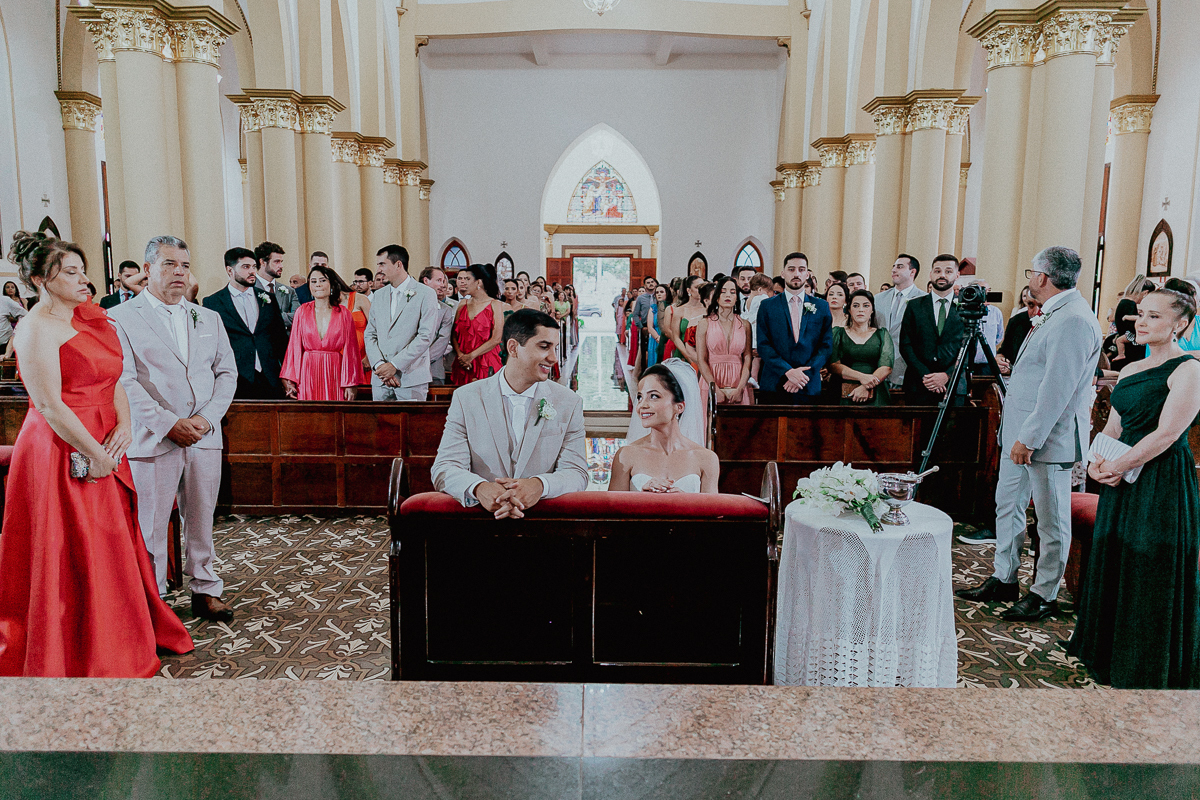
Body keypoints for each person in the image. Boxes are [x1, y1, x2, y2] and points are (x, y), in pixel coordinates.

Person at [0, 231, 193, 677]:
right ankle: (68, 644)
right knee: (68, 545)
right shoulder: (34, 327)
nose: (83, 279)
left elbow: (117, 380)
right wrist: (95, 452)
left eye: (82, 269)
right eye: (70, 273)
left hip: (106, 438)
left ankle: (116, 633)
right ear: (39, 279)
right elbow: (49, 404)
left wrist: (123, 427)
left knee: (106, 541)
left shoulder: (91, 318)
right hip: (58, 445)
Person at [956, 247, 1102, 622]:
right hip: (1020, 433)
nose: (1029, 279)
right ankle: (1004, 577)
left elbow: (1057, 389)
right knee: (1008, 505)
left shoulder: (1072, 320)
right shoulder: (1052, 315)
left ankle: (1044, 593)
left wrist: (1029, 438)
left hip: (1045, 440)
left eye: (1031, 272)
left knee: (1051, 520)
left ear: (1042, 277)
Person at [1068, 288, 1200, 688]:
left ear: (1181, 325)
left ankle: (1145, 663)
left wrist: (1118, 465)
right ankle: (1106, 649)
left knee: (1148, 562)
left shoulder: (1189, 370)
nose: (1141, 322)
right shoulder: (1128, 371)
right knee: (1117, 553)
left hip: (1161, 482)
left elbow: (1167, 434)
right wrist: (1096, 461)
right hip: (1122, 477)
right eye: (1140, 314)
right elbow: (1114, 426)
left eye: (1154, 317)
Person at [109, 235, 238, 621]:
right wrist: (168, 423)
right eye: (169, 264)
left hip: (202, 437)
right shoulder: (120, 318)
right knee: (151, 523)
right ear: (147, 269)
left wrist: (205, 419)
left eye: (184, 264)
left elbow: (226, 373)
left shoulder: (207, 317)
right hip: (153, 437)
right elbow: (124, 380)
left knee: (201, 518)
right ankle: (153, 598)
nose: (179, 272)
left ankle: (205, 588)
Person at [432, 309, 587, 517]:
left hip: (544, 523)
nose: (553, 358)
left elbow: (577, 472)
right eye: (544, 347)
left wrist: (539, 485)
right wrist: (479, 488)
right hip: (481, 520)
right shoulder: (466, 398)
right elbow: (444, 467)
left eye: (555, 348)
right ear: (513, 347)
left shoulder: (569, 402)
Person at [610, 361, 719, 493]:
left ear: (679, 407)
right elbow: (612, 512)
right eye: (640, 397)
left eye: (654, 396)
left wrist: (687, 503)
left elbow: (712, 512)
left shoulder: (707, 459)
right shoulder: (625, 456)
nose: (642, 405)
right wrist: (641, 500)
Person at [201, 247, 288, 399]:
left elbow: (280, 339)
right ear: (230, 270)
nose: (252, 271)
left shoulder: (267, 299)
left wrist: (286, 375)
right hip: (235, 378)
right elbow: (210, 345)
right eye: (245, 267)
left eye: (254, 267)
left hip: (269, 376)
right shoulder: (213, 302)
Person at [364, 244, 439, 401]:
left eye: (382, 264)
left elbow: (425, 336)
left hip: (411, 377)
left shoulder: (425, 294)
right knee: (381, 425)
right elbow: (370, 333)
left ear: (398, 264)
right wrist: (380, 366)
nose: (378, 269)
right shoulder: (379, 295)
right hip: (381, 379)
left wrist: (394, 365)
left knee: (411, 425)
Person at [756, 252, 833, 404]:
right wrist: (788, 372)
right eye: (791, 269)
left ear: (807, 274)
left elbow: (826, 346)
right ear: (783, 273)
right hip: (775, 383)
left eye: (801, 269)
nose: (796, 274)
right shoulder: (767, 306)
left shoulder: (821, 306)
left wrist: (802, 375)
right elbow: (763, 345)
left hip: (808, 384)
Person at [280, 265, 364, 401]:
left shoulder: (344, 313)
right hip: (307, 372)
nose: (318, 284)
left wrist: (351, 382)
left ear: (331, 284)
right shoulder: (301, 311)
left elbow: (351, 350)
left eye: (322, 280)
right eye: (313, 281)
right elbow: (293, 347)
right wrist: (289, 378)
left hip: (335, 371)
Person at [899, 254, 964, 405]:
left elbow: (969, 349)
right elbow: (906, 345)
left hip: (953, 386)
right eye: (937, 271)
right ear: (930, 274)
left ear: (957, 275)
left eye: (948, 271)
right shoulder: (915, 306)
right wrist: (926, 375)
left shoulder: (965, 308)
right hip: (919, 384)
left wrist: (947, 375)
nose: (942, 275)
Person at [830, 289, 893, 405]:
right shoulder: (838, 333)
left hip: (876, 391)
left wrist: (866, 386)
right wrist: (861, 377)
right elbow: (834, 365)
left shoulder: (882, 334)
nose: (861, 310)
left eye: (865, 306)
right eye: (855, 305)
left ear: (872, 310)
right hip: (843, 389)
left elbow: (886, 367)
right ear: (849, 309)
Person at [874, 254, 927, 393]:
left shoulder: (923, 300)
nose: (894, 270)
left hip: (907, 367)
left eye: (899, 267)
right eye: (893, 266)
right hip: (878, 367)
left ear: (912, 272)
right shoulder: (878, 299)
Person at [697, 275, 751, 406]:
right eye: (723, 291)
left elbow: (748, 357)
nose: (728, 295)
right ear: (717, 296)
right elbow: (701, 360)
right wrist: (714, 387)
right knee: (709, 424)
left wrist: (740, 387)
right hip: (711, 377)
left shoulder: (745, 325)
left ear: (737, 297)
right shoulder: (705, 323)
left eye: (732, 292)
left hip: (738, 380)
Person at [450, 263, 505, 386]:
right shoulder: (463, 304)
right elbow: (454, 335)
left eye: (468, 279)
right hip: (463, 363)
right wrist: (461, 356)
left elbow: (496, 338)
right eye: (462, 279)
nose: (463, 282)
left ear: (479, 282)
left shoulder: (495, 305)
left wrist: (471, 356)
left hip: (485, 361)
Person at [420, 266, 456, 385]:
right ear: (426, 281)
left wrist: (419, 361)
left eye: (444, 281)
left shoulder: (445, 310)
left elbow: (443, 340)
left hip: (433, 370)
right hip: (405, 371)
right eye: (439, 280)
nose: (443, 285)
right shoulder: (408, 305)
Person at [254, 241, 301, 328]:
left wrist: (268, 317)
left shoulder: (290, 291)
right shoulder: (249, 289)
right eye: (277, 262)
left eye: (281, 261)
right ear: (262, 262)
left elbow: (298, 316)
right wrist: (285, 316)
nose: (281, 266)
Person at [667, 275, 708, 367]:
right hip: (683, 355)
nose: (701, 290)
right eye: (697, 287)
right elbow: (676, 337)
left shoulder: (708, 309)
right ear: (689, 290)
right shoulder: (680, 310)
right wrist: (689, 357)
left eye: (703, 287)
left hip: (704, 354)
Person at [998, 285, 1040, 371]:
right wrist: (1000, 361)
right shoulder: (1016, 321)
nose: (1035, 312)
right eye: (1031, 305)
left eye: (1041, 306)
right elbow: (1004, 351)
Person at [344, 268, 372, 365]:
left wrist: (369, 356)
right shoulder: (349, 299)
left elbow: (374, 328)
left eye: (361, 281)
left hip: (366, 352)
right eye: (356, 281)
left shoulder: (377, 298)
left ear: (370, 283)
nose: (357, 285)